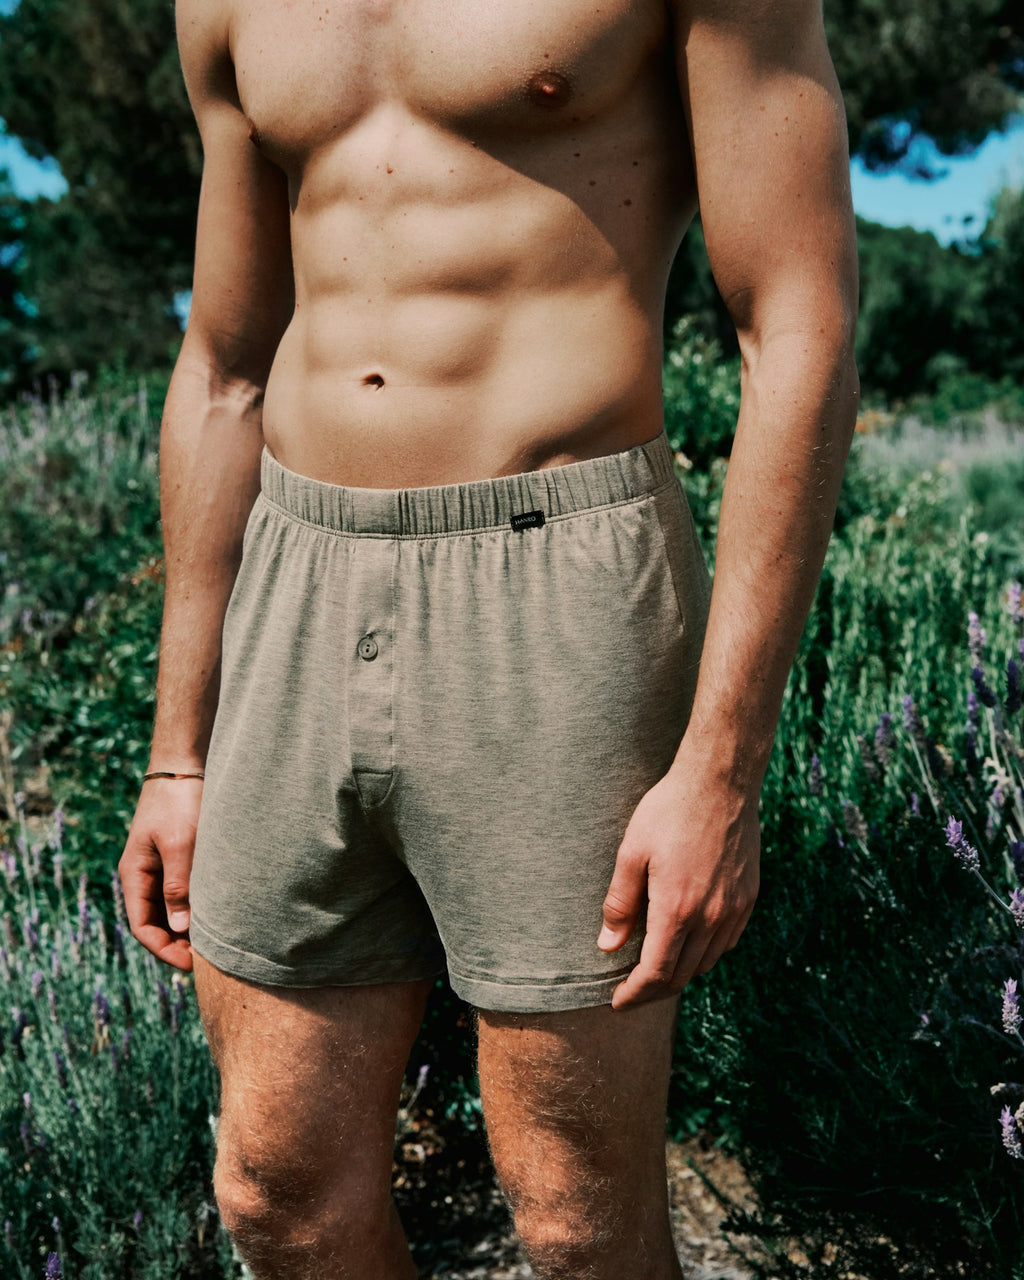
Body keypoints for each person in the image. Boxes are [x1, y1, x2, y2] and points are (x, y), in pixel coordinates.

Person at [118, 0, 859, 1274]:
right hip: (295, 581)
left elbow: (796, 322)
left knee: (576, 1218)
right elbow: (227, 363)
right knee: (279, 1193)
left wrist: (720, 769)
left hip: (559, 579)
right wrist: (177, 748)